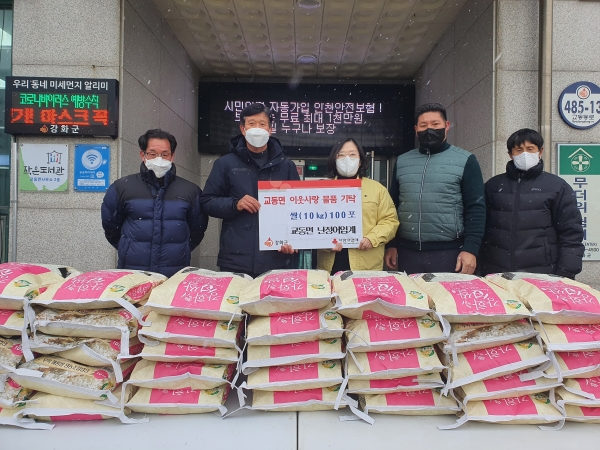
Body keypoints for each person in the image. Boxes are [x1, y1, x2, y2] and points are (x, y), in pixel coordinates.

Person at [199, 103, 299, 278]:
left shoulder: (287, 166)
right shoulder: (225, 164)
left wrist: (292, 240)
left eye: (262, 124)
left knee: (273, 305)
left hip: (277, 259)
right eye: (252, 124)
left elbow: (298, 209)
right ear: (243, 129)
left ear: (270, 129)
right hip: (236, 259)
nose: (257, 129)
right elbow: (207, 201)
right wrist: (235, 204)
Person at [385, 103, 486, 274]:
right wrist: (392, 244)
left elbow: (476, 207)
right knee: (409, 301)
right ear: (416, 129)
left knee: (446, 300)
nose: (429, 129)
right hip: (407, 253)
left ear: (446, 126)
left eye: (435, 124)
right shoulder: (402, 161)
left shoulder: (465, 160)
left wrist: (471, 248)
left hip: (450, 253)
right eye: (423, 125)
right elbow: (392, 207)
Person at [101, 129, 208, 277]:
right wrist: (129, 247)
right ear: (142, 155)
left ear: (172, 156)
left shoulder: (190, 190)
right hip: (133, 271)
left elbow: (197, 229)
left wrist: (180, 249)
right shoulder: (122, 187)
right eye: (152, 153)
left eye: (165, 154)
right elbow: (111, 227)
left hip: (174, 271)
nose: (159, 158)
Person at [479, 128, 584, 278]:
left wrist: (566, 272)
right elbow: (480, 228)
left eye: (530, 149)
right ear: (510, 154)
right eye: (519, 150)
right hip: (497, 271)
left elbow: (571, 233)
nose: (525, 154)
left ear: (540, 152)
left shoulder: (556, 186)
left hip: (543, 272)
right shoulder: (493, 186)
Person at [316, 139, 399, 274]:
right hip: (330, 264)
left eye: (352, 154)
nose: (347, 159)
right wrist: (325, 241)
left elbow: (390, 221)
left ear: (360, 161)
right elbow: (311, 222)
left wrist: (372, 238)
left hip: (366, 264)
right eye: (341, 155)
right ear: (334, 160)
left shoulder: (377, 189)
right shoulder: (321, 190)